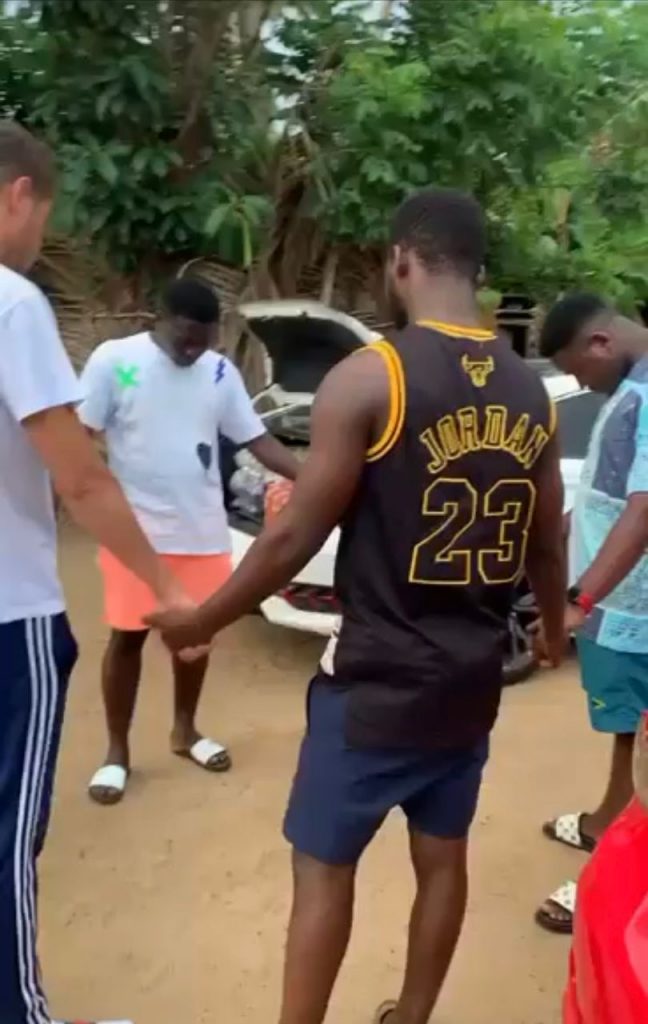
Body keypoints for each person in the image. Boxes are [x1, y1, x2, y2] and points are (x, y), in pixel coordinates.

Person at [148, 187, 566, 1024]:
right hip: (468, 685)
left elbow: (290, 538)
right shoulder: (532, 393)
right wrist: (553, 628)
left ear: (401, 260)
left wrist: (202, 621)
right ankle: (411, 1015)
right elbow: (546, 539)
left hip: (374, 687)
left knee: (323, 869)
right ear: (476, 269)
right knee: (442, 860)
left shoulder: (372, 375)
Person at [0, 121, 190, 1024]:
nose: (42, 238)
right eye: (46, 214)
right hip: (10, 618)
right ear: (17, 195)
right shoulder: (12, 304)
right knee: (7, 839)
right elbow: (80, 478)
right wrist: (168, 587)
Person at [79, 277, 299, 805]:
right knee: (127, 638)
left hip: (201, 532)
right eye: (185, 338)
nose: (193, 350)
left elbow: (256, 438)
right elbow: (79, 434)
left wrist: (315, 478)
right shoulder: (116, 362)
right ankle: (116, 753)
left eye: (204, 341)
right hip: (135, 536)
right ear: (160, 317)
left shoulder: (219, 372)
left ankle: (185, 731)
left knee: (196, 640)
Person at [534, 293, 648, 934]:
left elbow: (644, 508)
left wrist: (580, 600)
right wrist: (560, 533)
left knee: (645, 744)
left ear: (600, 343)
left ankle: (613, 881)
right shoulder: (631, 388)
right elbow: (611, 490)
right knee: (630, 730)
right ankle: (607, 822)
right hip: (621, 609)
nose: (581, 384)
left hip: (632, 612)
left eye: (578, 371)